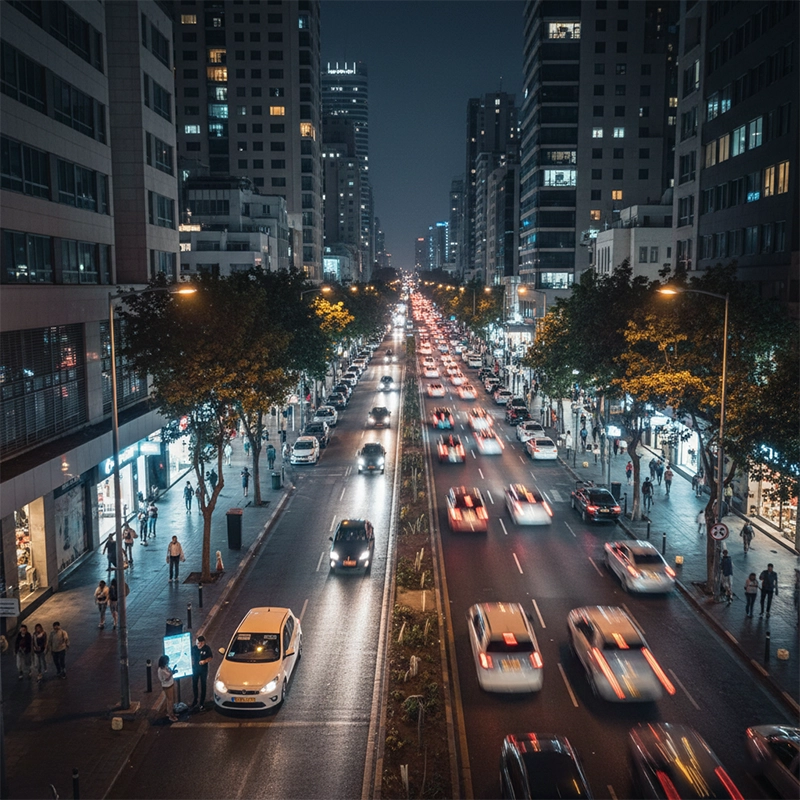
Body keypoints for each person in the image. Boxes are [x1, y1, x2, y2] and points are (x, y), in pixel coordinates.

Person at [191, 635, 214, 711]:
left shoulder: (207, 649)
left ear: (203, 643)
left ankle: (202, 702)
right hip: (195, 670)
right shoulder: (194, 648)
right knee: (194, 685)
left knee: (203, 685)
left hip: (203, 670)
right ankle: (195, 700)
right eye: (197, 643)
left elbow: (210, 657)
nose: (198, 645)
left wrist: (204, 661)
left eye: (199, 643)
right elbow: (190, 655)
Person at [157, 655, 178, 722]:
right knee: (170, 700)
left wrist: (172, 671)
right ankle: (171, 715)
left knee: (170, 699)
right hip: (167, 686)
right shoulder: (161, 670)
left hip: (170, 684)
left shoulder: (164, 667)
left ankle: (170, 712)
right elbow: (166, 678)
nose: (168, 663)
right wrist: (172, 673)